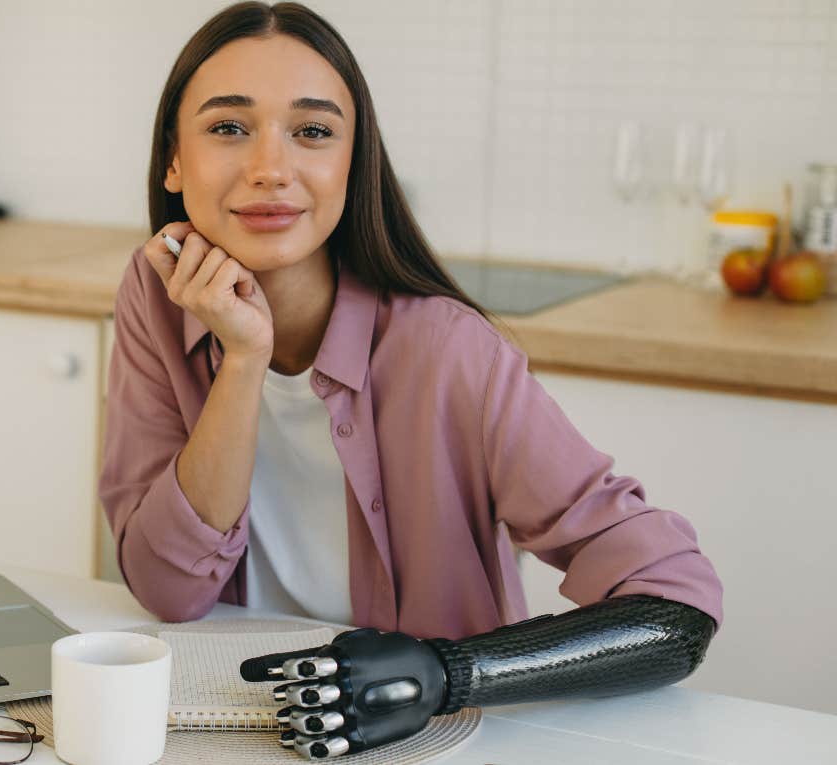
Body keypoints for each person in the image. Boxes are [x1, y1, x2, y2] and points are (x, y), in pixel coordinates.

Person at [98, 1, 722, 759]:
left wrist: (444, 672)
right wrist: (243, 359)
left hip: (424, 742)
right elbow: (169, 590)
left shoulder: (451, 351)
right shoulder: (155, 294)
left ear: (354, 163)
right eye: (229, 127)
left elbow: (676, 607)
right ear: (174, 159)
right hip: (229, 729)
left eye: (314, 131)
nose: (270, 167)